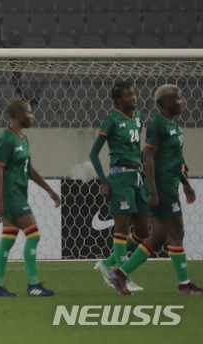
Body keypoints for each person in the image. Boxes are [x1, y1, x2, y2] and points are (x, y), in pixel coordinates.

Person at [108, 85, 203, 295]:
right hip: (161, 187)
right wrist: (153, 192)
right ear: (166, 102)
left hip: (170, 184)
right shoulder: (157, 124)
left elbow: (174, 159)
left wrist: (185, 183)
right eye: (178, 98)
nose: (183, 101)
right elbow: (147, 157)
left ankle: (119, 275)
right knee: (176, 232)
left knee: (159, 236)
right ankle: (184, 285)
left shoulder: (174, 123)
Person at [0, 99, 60, 297]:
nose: (32, 116)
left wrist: (49, 190)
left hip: (19, 194)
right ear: (19, 115)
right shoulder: (6, 138)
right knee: (33, 235)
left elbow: (30, 170)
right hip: (12, 197)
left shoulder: (23, 139)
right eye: (29, 112)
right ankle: (34, 285)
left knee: (8, 240)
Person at [90, 81, 151, 292]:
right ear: (118, 99)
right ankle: (123, 277)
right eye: (128, 95)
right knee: (122, 229)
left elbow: (137, 148)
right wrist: (104, 181)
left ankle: (107, 264)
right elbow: (93, 153)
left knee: (143, 230)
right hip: (120, 178)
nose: (134, 97)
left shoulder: (138, 116)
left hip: (137, 177)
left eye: (134, 94)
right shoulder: (112, 119)